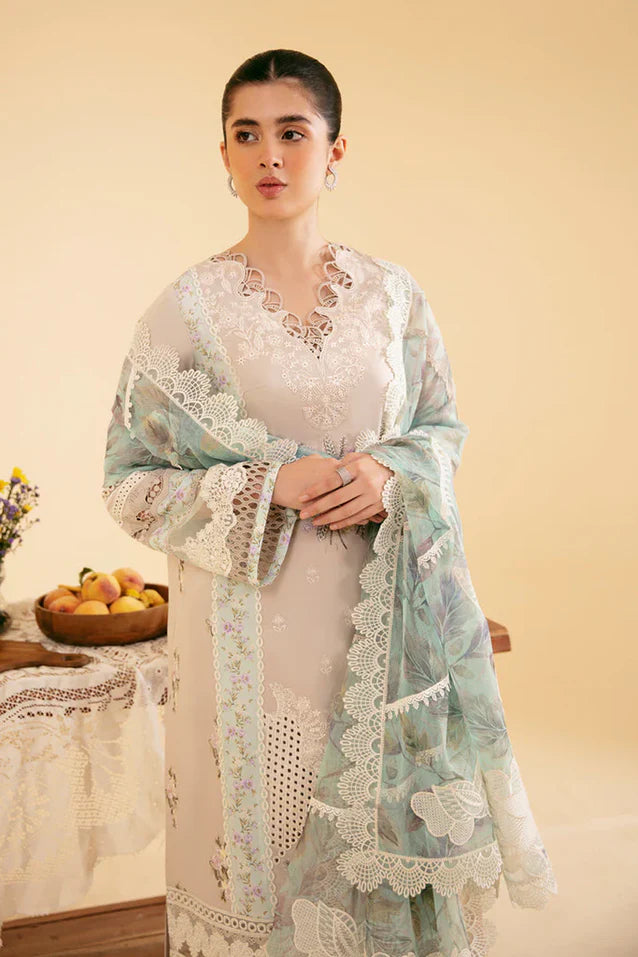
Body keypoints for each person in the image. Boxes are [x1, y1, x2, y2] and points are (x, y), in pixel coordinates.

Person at [101, 48, 557, 957]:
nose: (269, 155)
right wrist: (267, 484)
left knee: (377, 859)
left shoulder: (392, 299)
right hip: (248, 648)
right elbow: (129, 482)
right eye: (246, 135)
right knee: (266, 863)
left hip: (383, 630)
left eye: (292, 132)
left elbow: (441, 429)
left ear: (336, 151)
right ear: (223, 155)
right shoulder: (183, 314)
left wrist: (392, 474)